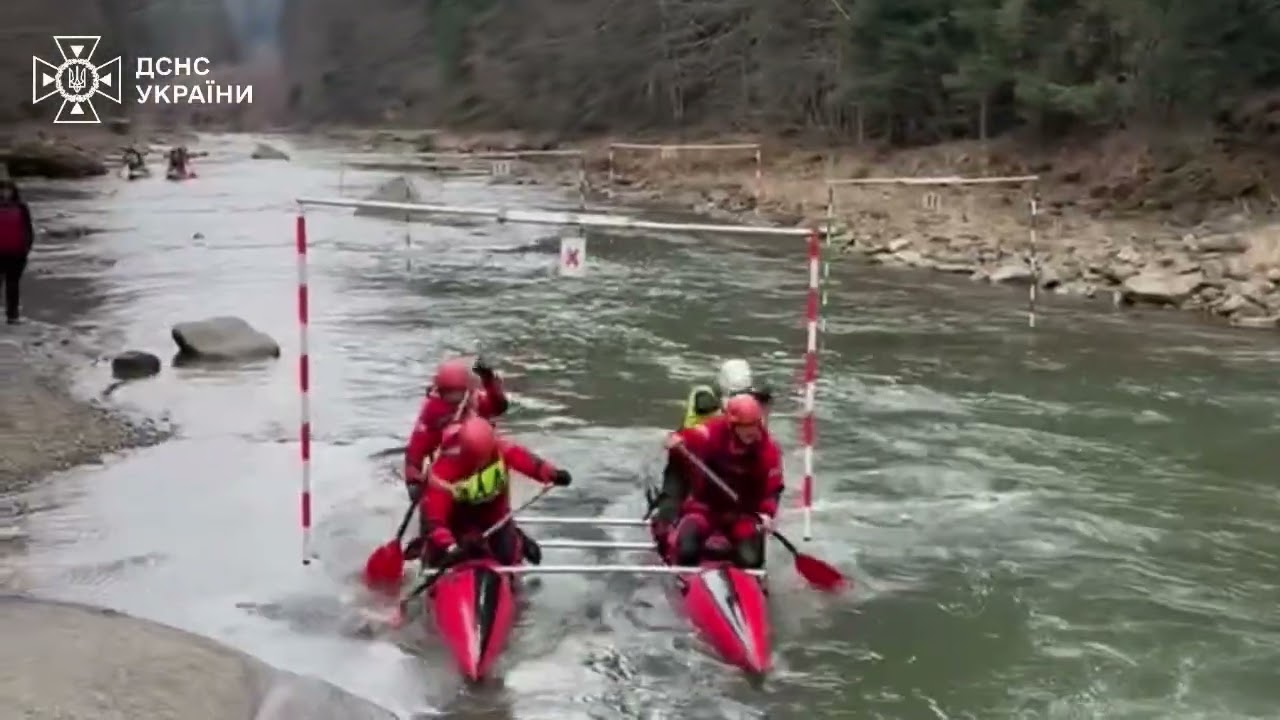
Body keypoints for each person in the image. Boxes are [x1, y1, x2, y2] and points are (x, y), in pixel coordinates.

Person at [651, 359, 774, 550]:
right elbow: (699, 434)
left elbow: (770, 474)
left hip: (731, 469)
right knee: (675, 506)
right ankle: (667, 527)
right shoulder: (706, 403)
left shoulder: (755, 413)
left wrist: (765, 512)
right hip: (692, 459)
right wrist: (679, 440)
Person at [420, 417, 571, 567]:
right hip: (457, 521)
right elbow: (434, 518)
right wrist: (450, 546)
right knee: (444, 558)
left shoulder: (498, 449)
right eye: (477, 459)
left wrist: (552, 474)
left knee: (506, 556)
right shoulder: (443, 470)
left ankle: (517, 538)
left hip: (494, 516)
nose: (483, 463)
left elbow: (525, 459)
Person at [662, 394, 783, 569]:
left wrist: (767, 514)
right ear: (732, 425)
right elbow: (693, 436)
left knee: (751, 560)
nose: (751, 431)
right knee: (687, 550)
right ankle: (675, 544)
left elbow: (773, 490)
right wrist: (678, 439)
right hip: (705, 509)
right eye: (745, 426)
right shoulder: (713, 431)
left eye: (755, 425)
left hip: (743, 514)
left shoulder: (768, 450)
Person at [404, 356, 509, 500]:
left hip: (480, 457)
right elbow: (416, 447)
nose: (453, 398)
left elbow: (498, 406)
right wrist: (413, 480)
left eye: (456, 392)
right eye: (448, 393)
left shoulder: (474, 400)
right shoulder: (432, 411)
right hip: (451, 463)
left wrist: (489, 380)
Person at [0, 175, 35, 325]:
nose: (5, 192)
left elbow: (28, 229)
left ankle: (12, 316)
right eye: (2, 190)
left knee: (13, 286)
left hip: (17, 253)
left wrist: (26, 248)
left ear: (13, 191)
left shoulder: (21, 207)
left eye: (8, 189)